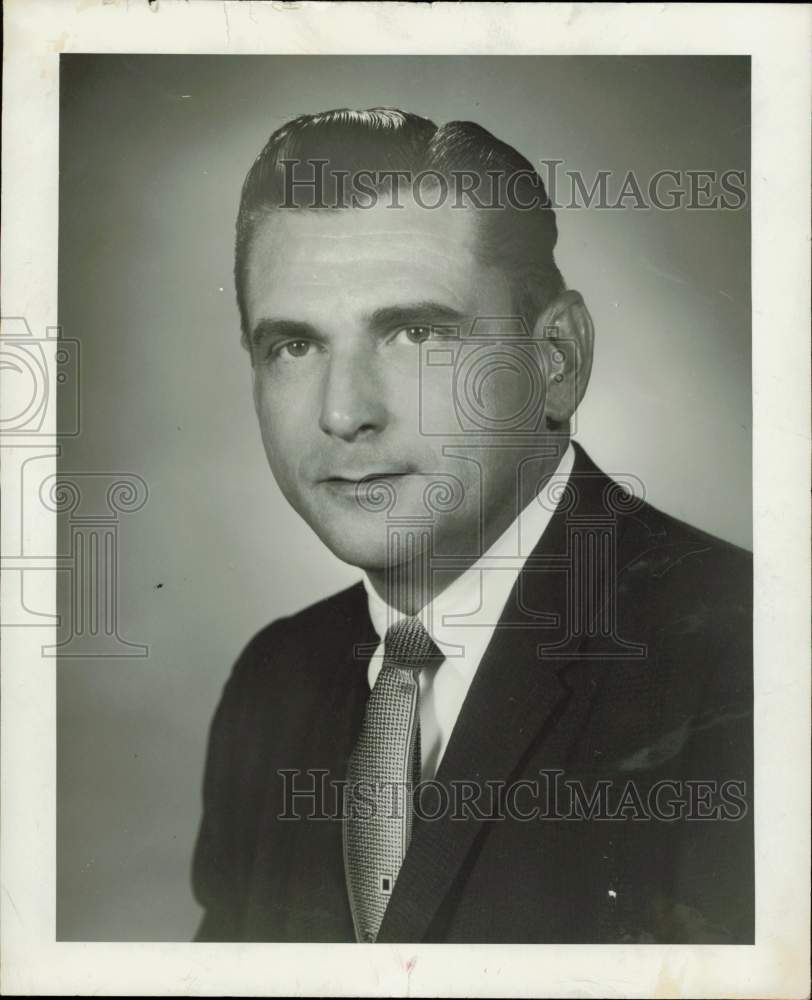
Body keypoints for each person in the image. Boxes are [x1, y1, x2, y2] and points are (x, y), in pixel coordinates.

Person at [191, 108, 753, 944]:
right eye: (294, 347)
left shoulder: (748, 656)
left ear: (555, 360)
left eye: (416, 333)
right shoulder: (273, 686)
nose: (344, 413)